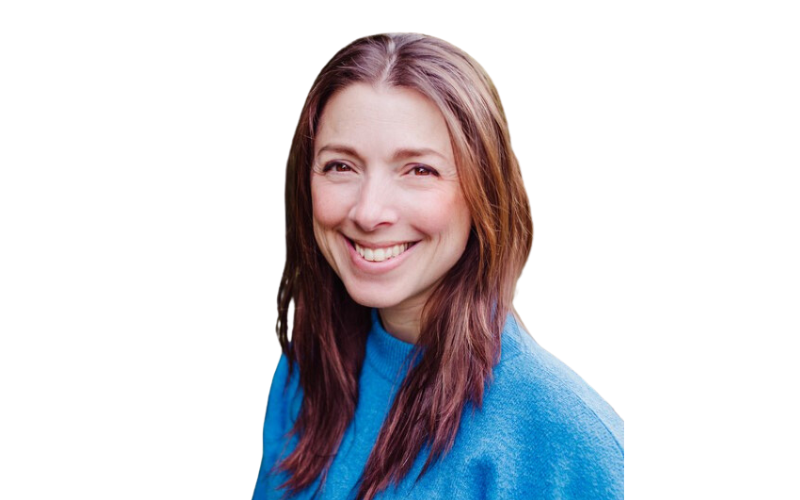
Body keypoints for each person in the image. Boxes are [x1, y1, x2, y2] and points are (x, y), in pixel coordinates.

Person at [252, 33, 623, 500]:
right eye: (341, 166)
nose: (369, 212)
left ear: (483, 190)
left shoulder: (572, 443)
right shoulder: (307, 372)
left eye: (419, 171)